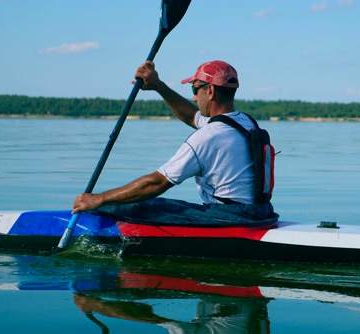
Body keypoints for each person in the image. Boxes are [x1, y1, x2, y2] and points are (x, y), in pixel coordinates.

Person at [72, 60, 277, 225]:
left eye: (195, 90)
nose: (195, 98)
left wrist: (98, 199)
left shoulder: (206, 137)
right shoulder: (245, 122)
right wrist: (159, 86)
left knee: (128, 206)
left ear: (211, 91)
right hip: (262, 212)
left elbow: (158, 182)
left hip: (233, 218)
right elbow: (192, 117)